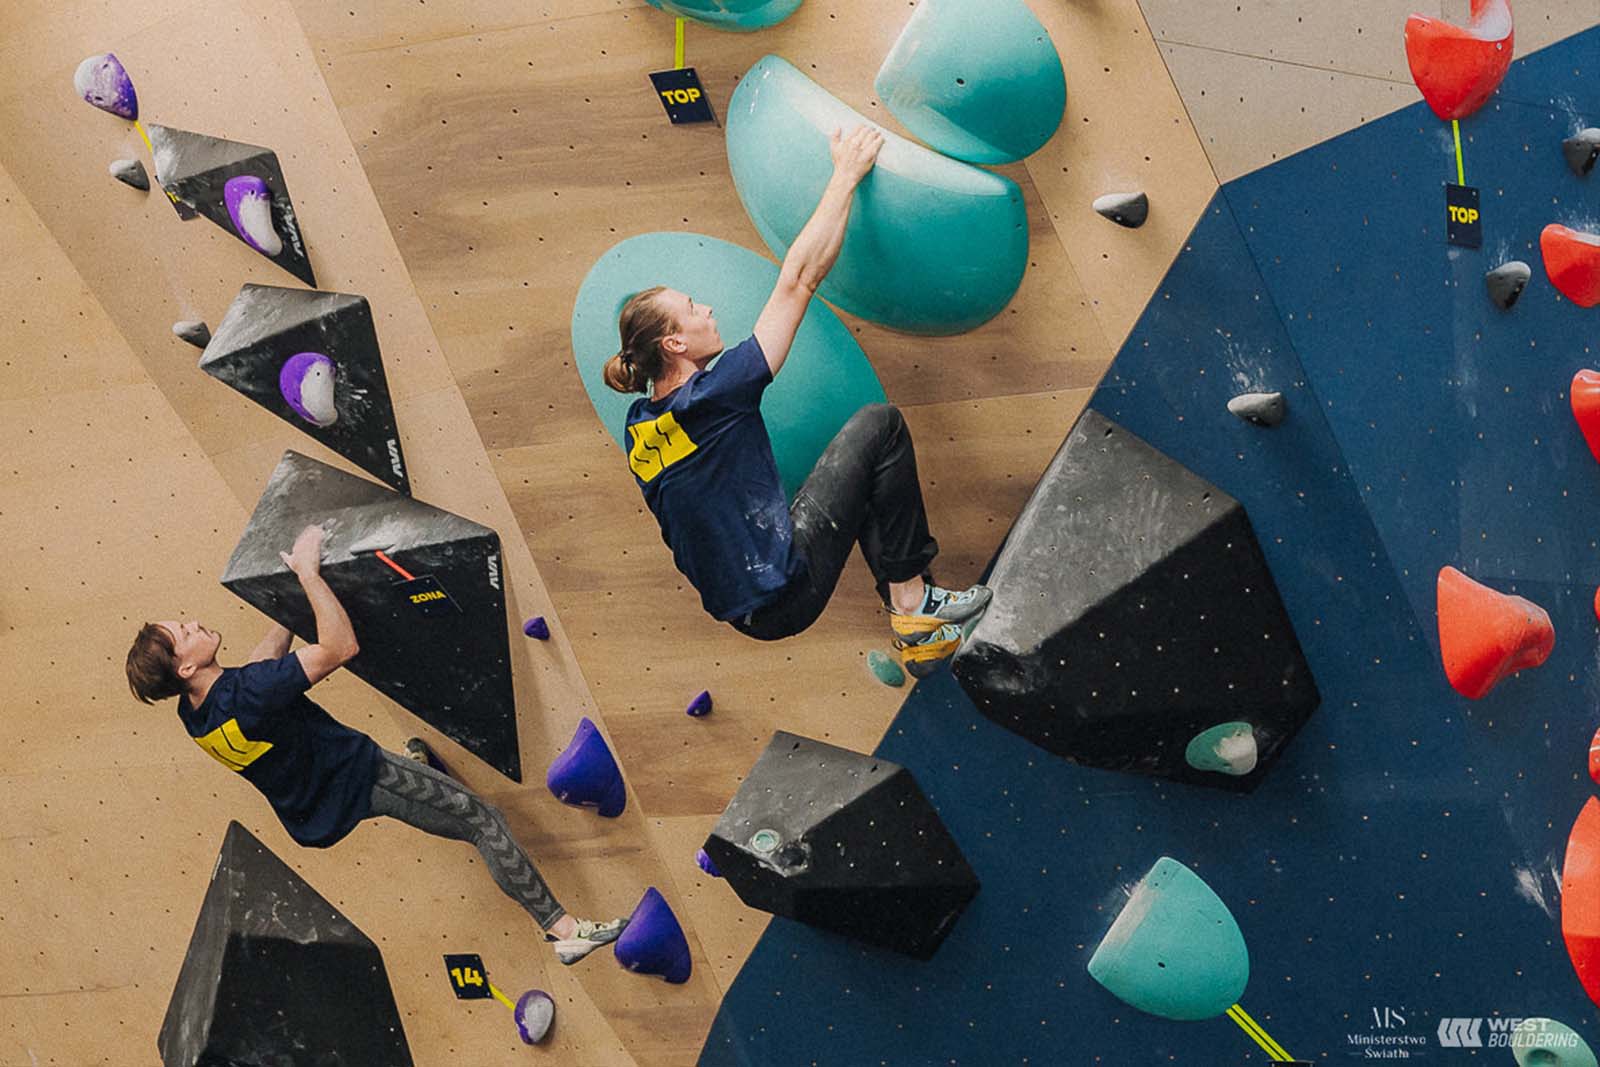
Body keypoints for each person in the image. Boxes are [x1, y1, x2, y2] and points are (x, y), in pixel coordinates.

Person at [124, 524, 626, 964]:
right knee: (482, 820)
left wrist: (288, 608)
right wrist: (309, 576)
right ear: (185, 667)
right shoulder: (248, 694)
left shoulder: (195, 713)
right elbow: (339, 647)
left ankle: (426, 781)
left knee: (433, 798)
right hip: (359, 776)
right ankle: (563, 930)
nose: (192, 622)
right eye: (183, 632)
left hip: (316, 806)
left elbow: (260, 673)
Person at [602, 126, 990, 676]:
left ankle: (920, 632)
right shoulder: (715, 396)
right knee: (880, 426)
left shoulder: (640, 426)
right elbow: (799, 279)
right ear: (675, 344)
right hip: (786, 592)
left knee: (859, 478)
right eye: (691, 308)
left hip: (749, 611)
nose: (707, 309)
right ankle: (913, 605)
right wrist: (846, 175)